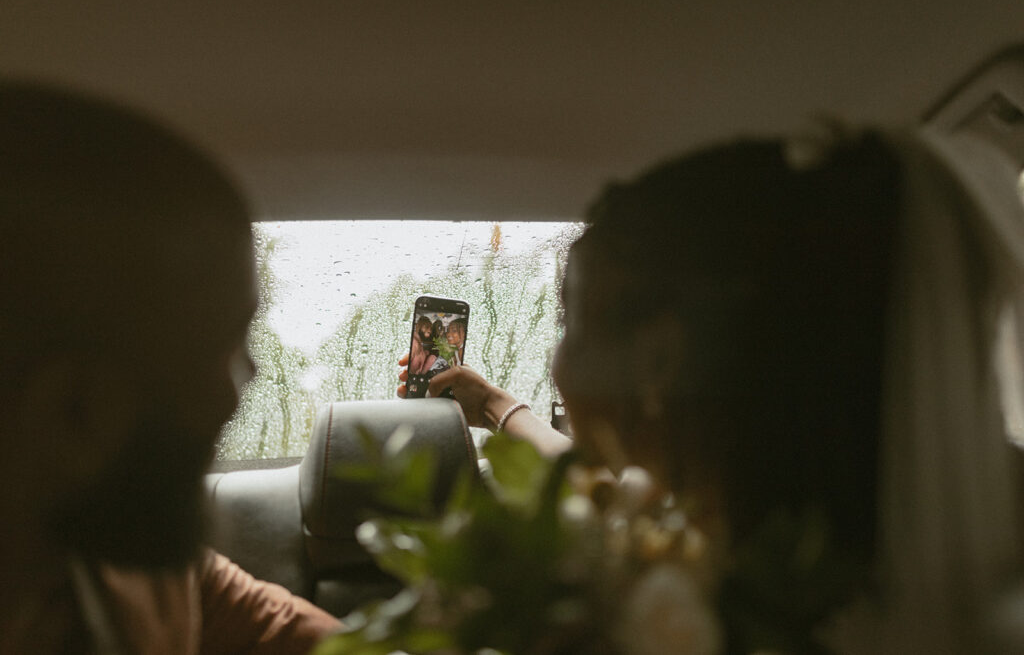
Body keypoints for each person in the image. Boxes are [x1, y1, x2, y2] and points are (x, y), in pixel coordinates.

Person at [402, 127, 1024, 652]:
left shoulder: (716, 616)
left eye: (570, 323)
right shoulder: (826, 541)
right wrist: (492, 405)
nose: (559, 361)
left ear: (661, 357)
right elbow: (602, 481)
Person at [0, 81, 339, 653]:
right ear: (75, 410)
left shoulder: (117, 549)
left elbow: (258, 617)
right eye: (223, 351)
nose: (239, 392)